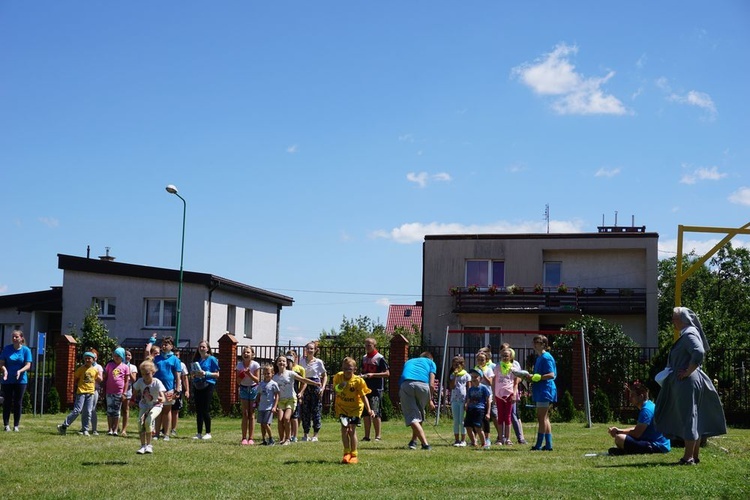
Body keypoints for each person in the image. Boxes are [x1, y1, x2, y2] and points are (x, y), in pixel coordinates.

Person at [654, 307, 727, 465]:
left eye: (674, 318)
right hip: (692, 379)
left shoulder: (688, 333)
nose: (673, 321)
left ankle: (688, 458)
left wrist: (687, 372)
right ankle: (694, 455)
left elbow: (699, 352)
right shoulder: (690, 332)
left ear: (683, 320)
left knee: (689, 417)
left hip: (687, 381)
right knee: (694, 417)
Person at [608, 381, 670, 456]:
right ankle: (625, 450)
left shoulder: (646, 410)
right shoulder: (649, 405)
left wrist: (618, 433)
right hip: (657, 443)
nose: (630, 398)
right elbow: (638, 428)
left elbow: (636, 434)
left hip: (657, 446)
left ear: (641, 396)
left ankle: (625, 450)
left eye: (632, 395)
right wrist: (619, 430)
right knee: (621, 438)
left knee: (620, 438)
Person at [273, 355, 321, 445]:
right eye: (279, 361)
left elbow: (303, 379)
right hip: (281, 401)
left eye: (283, 361)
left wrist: (315, 383)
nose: (281, 362)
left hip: (291, 399)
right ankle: (281, 439)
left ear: (286, 364)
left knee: (286, 418)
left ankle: (288, 439)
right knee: (280, 419)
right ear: (276, 363)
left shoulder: (291, 373)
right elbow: (273, 391)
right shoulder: (275, 377)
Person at [333, 357, 374, 464]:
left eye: (350, 369)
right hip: (342, 408)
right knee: (344, 429)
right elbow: (336, 390)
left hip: (355, 409)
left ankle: (354, 454)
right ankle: (346, 453)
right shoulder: (338, 377)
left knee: (352, 430)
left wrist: (369, 409)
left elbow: (363, 396)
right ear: (342, 368)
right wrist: (339, 387)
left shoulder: (358, 381)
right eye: (345, 368)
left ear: (354, 369)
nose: (347, 371)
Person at [398, 351, 436, 450]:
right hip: (423, 386)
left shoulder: (409, 361)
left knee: (413, 415)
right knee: (418, 414)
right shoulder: (431, 363)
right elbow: (432, 384)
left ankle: (420, 442)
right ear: (431, 358)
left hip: (407, 384)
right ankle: (419, 443)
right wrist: (430, 400)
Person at [525, 335, 557, 451]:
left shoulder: (546, 357)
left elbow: (551, 375)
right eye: (534, 342)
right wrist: (531, 377)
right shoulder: (539, 358)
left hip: (545, 390)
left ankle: (539, 444)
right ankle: (548, 444)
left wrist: (538, 377)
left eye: (537, 342)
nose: (534, 344)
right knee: (545, 418)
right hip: (541, 389)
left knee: (541, 417)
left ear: (544, 344)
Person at [57, 351, 100, 436]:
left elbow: (96, 379)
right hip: (81, 392)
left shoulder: (95, 370)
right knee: (77, 410)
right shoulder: (80, 369)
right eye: (86, 358)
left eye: (89, 358)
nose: (87, 360)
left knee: (88, 411)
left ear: (93, 360)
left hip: (90, 392)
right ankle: (64, 426)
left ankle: (85, 429)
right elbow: (75, 379)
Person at [131, 359, 166, 454]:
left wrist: (160, 399)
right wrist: (132, 399)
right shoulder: (140, 381)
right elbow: (135, 390)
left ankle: (149, 445)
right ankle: (143, 446)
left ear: (153, 372)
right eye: (142, 374)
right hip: (144, 405)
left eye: (147, 374)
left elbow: (163, 397)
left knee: (148, 420)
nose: (145, 377)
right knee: (140, 423)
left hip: (156, 405)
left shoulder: (157, 382)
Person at [0, 330, 32, 432]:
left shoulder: (26, 350)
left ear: (21, 338)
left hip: (21, 380)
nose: (14, 338)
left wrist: (20, 371)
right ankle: (6, 425)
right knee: (7, 402)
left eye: (16, 337)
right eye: (13, 337)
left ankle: (16, 425)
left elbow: (28, 365)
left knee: (18, 402)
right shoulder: (7, 349)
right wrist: (5, 371)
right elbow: (1, 363)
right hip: (7, 380)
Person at [153, 336, 182, 440]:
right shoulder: (157, 358)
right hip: (157, 388)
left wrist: (177, 390)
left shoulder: (175, 359)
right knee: (157, 410)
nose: (164, 346)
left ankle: (166, 434)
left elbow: (178, 377)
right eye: (163, 344)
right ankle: (156, 433)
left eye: (166, 344)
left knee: (167, 411)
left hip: (169, 388)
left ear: (172, 346)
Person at [360, 338, 389, 442]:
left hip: (376, 388)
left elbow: (387, 373)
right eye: (366, 345)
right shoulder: (364, 358)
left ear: (374, 345)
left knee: (375, 412)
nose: (367, 347)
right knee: (365, 413)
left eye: (369, 345)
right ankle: (366, 436)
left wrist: (373, 375)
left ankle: (378, 436)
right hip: (365, 388)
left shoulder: (379, 358)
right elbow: (362, 370)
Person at [299, 341, 327, 442]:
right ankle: (305, 434)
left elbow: (324, 376)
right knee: (305, 411)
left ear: (315, 350)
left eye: (312, 349)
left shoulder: (319, 362)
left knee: (316, 410)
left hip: (315, 386)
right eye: (308, 348)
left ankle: (315, 434)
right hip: (304, 386)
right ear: (305, 350)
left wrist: (322, 388)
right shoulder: (301, 361)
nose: (309, 350)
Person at [191, 340, 219, 440]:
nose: (201, 349)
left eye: (203, 347)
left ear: (207, 348)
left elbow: (217, 374)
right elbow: (192, 373)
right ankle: (199, 432)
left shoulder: (212, 359)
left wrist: (206, 373)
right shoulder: (197, 360)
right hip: (198, 384)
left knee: (205, 409)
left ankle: (208, 432)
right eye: (200, 347)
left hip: (208, 384)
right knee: (198, 410)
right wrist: (194, 374)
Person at [501, 343, 527, 444]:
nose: (505, 354)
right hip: (502, 394)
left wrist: (513, 388)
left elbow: (519, 378)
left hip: (512, 392)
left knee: (513, 415)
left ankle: (520, 437)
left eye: (507, 351)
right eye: (503, 351)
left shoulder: (515, 364)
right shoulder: (500, 365)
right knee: (503, 415)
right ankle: (502, 437)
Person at [493, 348, 519, 446]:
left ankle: (508, 438)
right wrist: (494, 394)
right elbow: (494, 381)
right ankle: (500, 438)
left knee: (508, 417)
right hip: (499, 394)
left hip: (509, 394)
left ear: (510, 357)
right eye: (503, 355)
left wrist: (514, 394)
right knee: (500, 416)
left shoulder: (513, 368)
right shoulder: (497, 367)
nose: (504, 357)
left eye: (506, 356)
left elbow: (516, 383)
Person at [102, 347, 130, 436]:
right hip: (109, 391)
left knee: (117, 411)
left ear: (122, 357)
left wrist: (124, 393)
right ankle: (110, 429)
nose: (116, 357)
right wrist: (103, 390)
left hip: (119, 392)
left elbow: (126, 381)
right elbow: (105, 378)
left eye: (118, 356)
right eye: (114, 356)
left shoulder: (125, 367)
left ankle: (115, 430)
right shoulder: (109, 365)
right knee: (110, 410)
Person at [474, 350, 498, 446]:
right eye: (479, 360)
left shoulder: (488, 369)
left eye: (482, 360)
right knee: (476, 417)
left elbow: (490, 382)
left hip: (487, 396)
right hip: (477, 395)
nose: (480, 361)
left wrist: (482, 374)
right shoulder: (475, 369)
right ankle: (476, 438)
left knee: (486, 418)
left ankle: (487, 438)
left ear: (486, 360)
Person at [237, 346, 260, 445]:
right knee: (245, 413)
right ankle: (244, 438)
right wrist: (242, 374)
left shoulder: (255, 365)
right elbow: (238, 381)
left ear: (252, 355)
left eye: (248, 352)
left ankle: (251, 438)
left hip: (253, 389)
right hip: (243, 389)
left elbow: (257, 380)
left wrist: (250, 374)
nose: (246, 354)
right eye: (244, 353)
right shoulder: (239, 365)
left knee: (251, 414)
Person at [464, 368, 492, 449]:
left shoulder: (483, 388)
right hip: (470, 409)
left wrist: (488, 413)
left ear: (480, 378)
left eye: (476, 377)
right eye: (472, 377)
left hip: (479, 409)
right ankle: (473, 441)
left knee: (478, 427)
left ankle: (484, 443)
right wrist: (466, 405)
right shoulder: (470, 389)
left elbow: (488, 400)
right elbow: (468, 399)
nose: (474, 379)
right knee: (468, 426)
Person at [448, 355, 471, 446]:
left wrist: (467, 401)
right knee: (456, 420)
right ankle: (456, 440)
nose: (456, 367)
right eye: (454, 365)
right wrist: (454, 376)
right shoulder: (452, 375)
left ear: (462, 365)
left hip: (463, 400)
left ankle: (463, 440)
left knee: (462, 421)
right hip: (454, 399)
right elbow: (452, 386)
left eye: (457, 365)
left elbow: (469, 389)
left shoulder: (466, 375)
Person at [285, 350, 306, 442]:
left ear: (296, 357)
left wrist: (301, 393)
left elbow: (303, 382)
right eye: (288, 355)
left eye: (292, 355)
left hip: (295, 394)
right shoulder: (284, 369)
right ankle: (288, 435)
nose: (290, 357)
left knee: (295, 416)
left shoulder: (299, 369)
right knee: (287, 417)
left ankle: (295, 435)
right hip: (285, 395)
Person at [256, 364, 279, 446]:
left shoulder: (273, 384)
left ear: (272, 373)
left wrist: (275, 406)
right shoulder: (261, 384)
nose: (266, 375)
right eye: (265, 373)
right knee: (262, 424)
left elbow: (277, 396)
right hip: (261, 406)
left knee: (266, 423)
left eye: (268, 373)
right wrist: (256, 402)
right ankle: (264, 439)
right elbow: (259, 394)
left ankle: (271, 439)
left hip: (269, 407)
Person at [170, 349, 190, 437]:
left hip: (177, 389)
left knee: (175, 410)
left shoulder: (182, 365)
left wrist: (187, 390)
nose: (176, 356)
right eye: (174, 354)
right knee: (165, 410)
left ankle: (173, 429)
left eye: (177, 355)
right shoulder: (169, 363)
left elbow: (185, 378)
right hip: (168, 389)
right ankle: (164, 428)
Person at [119, 349, 138, 437]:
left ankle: (124, 429)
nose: (127, 357)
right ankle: (115, 428)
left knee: (125, 409)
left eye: (129, 355)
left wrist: (128, 370)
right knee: (116, 409)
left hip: (128, 389)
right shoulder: (119, 365)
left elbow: (134, 380)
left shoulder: (133, 367)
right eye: (125, 355)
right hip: (118, 388)